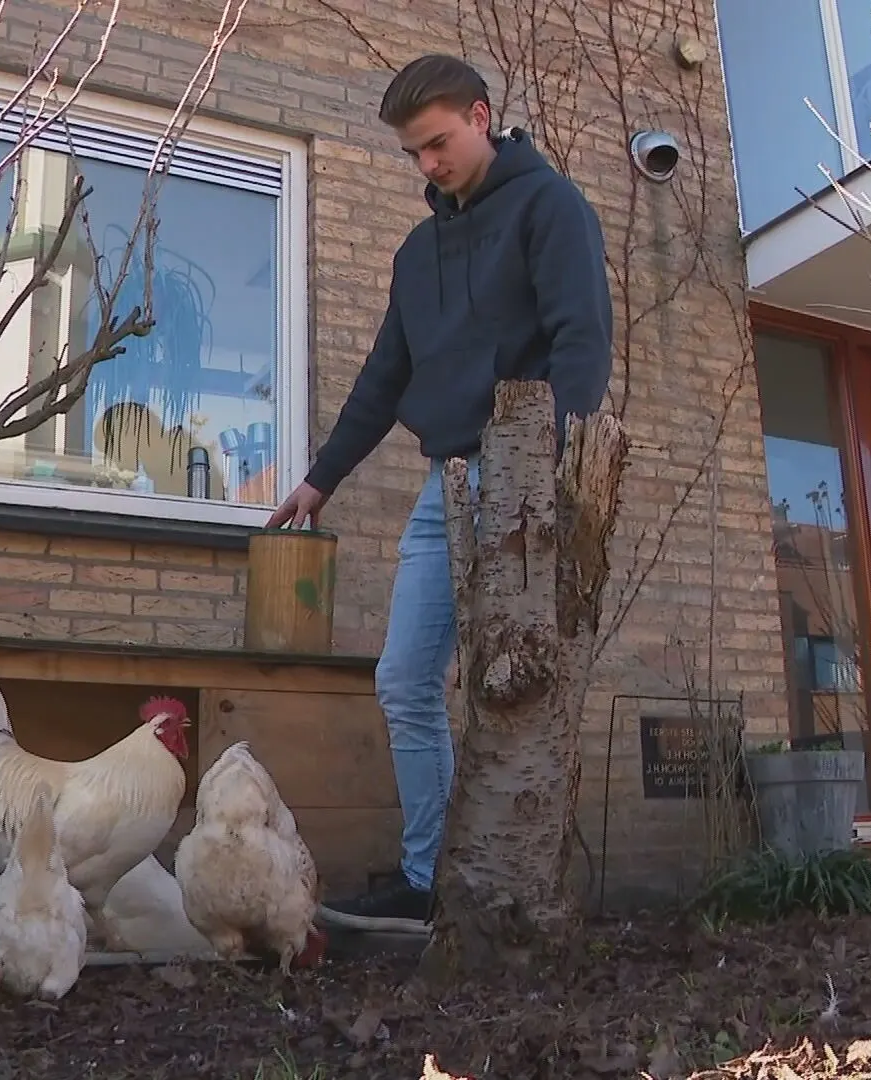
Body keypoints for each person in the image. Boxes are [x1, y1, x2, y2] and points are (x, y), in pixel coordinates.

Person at [263, 53, 614, 933]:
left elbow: (581, 341)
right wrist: (319, 479)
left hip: (525, 474)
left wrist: (557, 475)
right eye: (414, 152)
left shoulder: (550, 208)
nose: (428, 163)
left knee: (514, 684)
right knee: (405, 679)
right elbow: (386, 376)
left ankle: (507, 890)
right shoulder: (418, 254)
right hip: (444, 486)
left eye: (438, 143)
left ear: (482, 116)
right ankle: (433, 880)